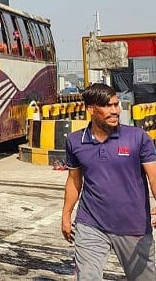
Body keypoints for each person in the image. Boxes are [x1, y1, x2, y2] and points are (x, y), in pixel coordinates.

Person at [61, 83, 156, 280]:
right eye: (107, 106)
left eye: (116, 104)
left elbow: (154, 176)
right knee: (87, 277)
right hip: (90, 224)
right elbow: (74, 181)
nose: (115, 111)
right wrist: (66, 215)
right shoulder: (75, 141)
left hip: (134, 226)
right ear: (90, 109)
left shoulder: (137, 137)